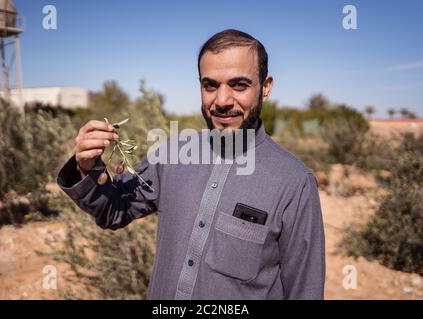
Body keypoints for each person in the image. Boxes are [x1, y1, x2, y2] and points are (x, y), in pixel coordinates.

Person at [57, 29, 325, 299]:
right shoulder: (173, 154)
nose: (221, 101)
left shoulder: (294, 183)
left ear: (265, 88)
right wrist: (88, 166)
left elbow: (305, 290)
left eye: (239, 85)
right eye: (210, 85)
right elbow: (114, 210)